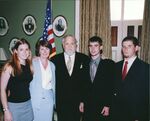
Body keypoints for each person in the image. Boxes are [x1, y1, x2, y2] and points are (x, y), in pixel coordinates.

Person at [51, 35, 89, 121]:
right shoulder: (54, 60)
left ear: (76, 45)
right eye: (67, 43)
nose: (70, 46)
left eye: (72, 43)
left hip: (77, 103)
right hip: (61, 103)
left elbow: (86, 83)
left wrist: (83, 101)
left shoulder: (84, 59)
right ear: (63, 45)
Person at [111, 36, 149, 121]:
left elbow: (146, 96)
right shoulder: (116, 66)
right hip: (116, 114)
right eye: (124, 47)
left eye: (129, 46)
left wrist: (140, 116)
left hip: (134, 115)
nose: (125, 49)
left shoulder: (145, 68)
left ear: (136, 48)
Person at [80, 36, 115, 121]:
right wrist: (81, 101)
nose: (93, 48)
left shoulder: (109, 64)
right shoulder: (84, 64)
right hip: (88, 106)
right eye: (90, 46)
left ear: (101, 47)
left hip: (102, 107)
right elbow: (82, 85)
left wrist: (107, 105)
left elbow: (111, 86)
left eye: (96, 45)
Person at [0, 38, 34, 121]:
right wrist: (6, 110)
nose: (24, 52)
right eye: (21, 49)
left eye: (26, 49)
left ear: (29, 51)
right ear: (15, 51)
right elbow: (2, 89)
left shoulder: (30, 65)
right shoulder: (9, 66)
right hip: (14, 106)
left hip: (28, 104)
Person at [30, 40, 55, 121]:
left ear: (50, 50)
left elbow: (53, 84)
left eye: (47, 49)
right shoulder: (32, 62)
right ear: (38, 50)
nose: (45, 51)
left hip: (49, 99)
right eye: (42, 49)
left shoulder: (52, 65)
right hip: (35, 99)